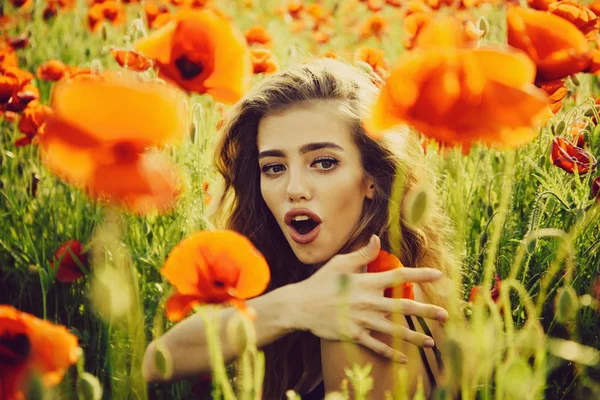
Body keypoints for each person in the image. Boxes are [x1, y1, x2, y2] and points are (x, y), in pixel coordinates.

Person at [142, 58, 461, 399]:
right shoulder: (329, 290)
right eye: (274, 167)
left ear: (371, 178)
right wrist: (297, 305)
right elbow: (157, 361)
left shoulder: (364, 302)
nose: (294, 188)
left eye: (324, 162)